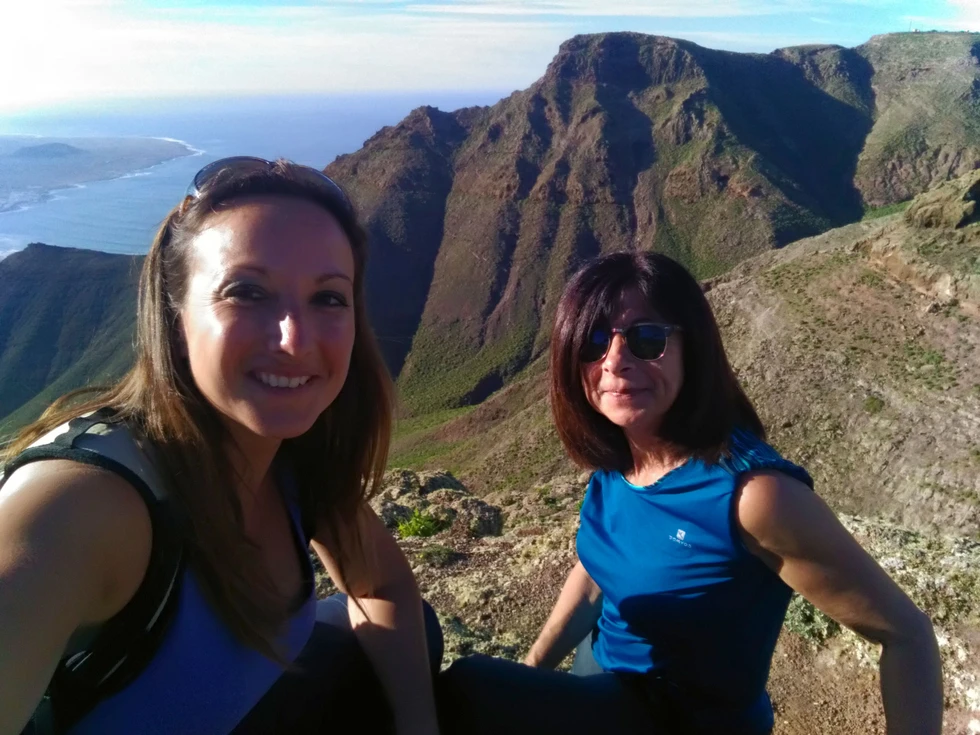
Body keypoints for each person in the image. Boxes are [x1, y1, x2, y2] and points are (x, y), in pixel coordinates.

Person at [0, 158, 441, 735]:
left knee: (421, 632)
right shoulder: (84, 507)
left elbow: (380, 584)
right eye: (247, 292)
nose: (294, 339)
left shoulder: (289, 458)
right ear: (176, 315)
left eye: (329, 298)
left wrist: (418, 723)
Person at [438, 251, 943, 735]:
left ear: (692, 348)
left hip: (683, 719)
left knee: (468, 691)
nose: (614, 361)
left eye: (647, 338)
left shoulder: (754, 497)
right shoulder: (621, 459)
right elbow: (596, 572)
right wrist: (533, 670)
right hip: (602, 684)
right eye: (593, 341)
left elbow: (906, 635)